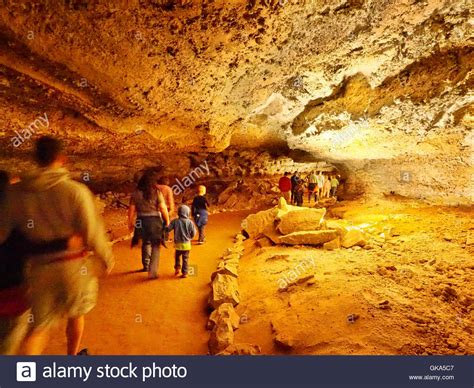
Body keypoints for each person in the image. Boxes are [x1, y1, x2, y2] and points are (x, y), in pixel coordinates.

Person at [2, 136, 115, 355]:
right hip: (73, 265)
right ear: (61, 158)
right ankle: (71, 358)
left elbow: (4, 232)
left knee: (39, 328)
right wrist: (106, 257)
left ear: (35, 159)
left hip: (38, 268)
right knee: (76, 314)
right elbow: (92, 231)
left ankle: (25, 375)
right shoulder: (75, 191)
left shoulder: (15, 194)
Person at [129, 169, 169, 277]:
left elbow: (131, 210)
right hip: (154, 220)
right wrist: (167, 220)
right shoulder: (156, 192)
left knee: (146, 242)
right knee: (156, 245)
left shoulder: (135, 194)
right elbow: (162, 208)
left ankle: (145, 265)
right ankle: (152, 270)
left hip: (141, 221)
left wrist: (130, 222)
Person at [167, 205, 196, 278]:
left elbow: (168, 229)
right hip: (187, 244)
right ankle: (185, 273)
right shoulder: (190, 222)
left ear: (179, 213)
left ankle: (177, 268)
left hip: (178, 245)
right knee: (185, 259)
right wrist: (190, 237)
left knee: (177, 256)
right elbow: (194, 232)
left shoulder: (175, 221)